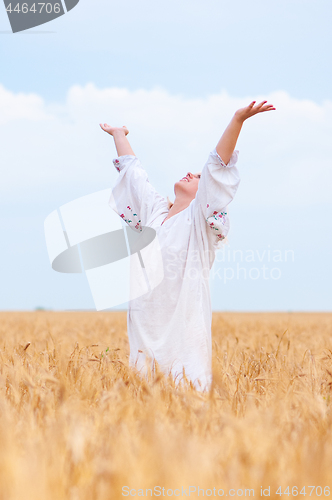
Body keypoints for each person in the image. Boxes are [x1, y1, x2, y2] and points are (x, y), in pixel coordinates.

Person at [100, 100, 275, 390]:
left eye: (197, 177)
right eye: (192, 173)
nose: (191, 174)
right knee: (144, 403)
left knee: (186, 395)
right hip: (147, 326)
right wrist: (119, 134)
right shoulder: (155, 215)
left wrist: (237, 120)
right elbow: (134, 176)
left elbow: (216, 168)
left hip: (182, 326)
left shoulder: (199, 222)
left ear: (204, 193)